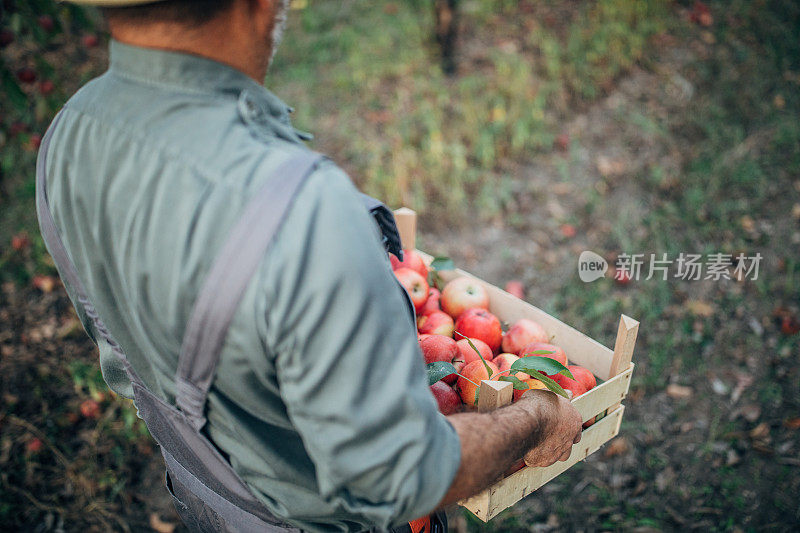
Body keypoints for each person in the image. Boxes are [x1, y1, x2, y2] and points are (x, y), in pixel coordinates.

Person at [38, 0, 583, 531]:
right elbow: (402, 476)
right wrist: (536, 421)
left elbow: (122, 356)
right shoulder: (304, 213)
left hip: (202, 494)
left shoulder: (67, 138)